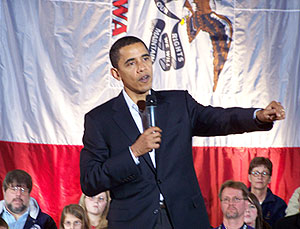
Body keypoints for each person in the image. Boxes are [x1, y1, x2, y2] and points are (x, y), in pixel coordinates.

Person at [80, 35, 285, 229]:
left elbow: (220, 119)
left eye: (145, 58)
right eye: (131, 63)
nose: (142, 68)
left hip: (185, 218)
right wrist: (133, 152)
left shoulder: (178, 104)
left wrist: (257, 116)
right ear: (116, 73)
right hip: (134, 221)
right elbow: (91, 181)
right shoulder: (100, 120)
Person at [248, 157, 287, 226]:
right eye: (256, 173)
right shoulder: (240, 201)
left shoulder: (279, 205)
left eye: (264, 173)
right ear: (249, 177)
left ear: (270, 179)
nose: (260, 176)